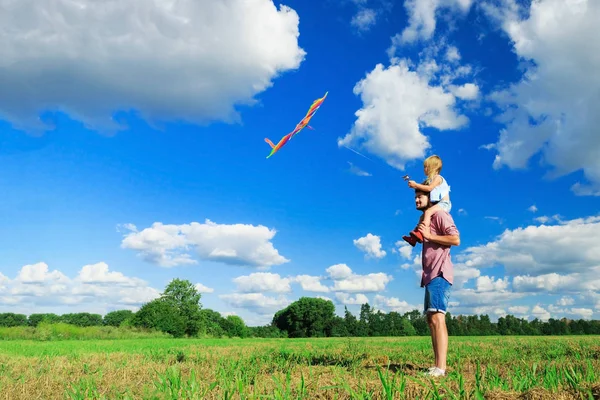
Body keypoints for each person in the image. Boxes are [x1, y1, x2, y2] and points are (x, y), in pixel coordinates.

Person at [412, 187, 460, 377]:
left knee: (438, 317)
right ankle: (437, 365)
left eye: (420, 197)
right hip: (430, 274)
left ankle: (441, 368)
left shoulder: (440, 214)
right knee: (431, 318)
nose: (416, 201)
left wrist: (430, 236)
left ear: (431, 197)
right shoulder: (427, 218)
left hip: (440, 272)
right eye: (415, 198)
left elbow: (455, 239)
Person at [402, 155, 452, 247]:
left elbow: (429, 188)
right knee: (422, 217)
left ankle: (422, 232)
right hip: (438, 204)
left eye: (426, 167)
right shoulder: (432, 179)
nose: (424, 169)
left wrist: (416, 185)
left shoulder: (438, 178)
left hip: (444, 204)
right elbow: (425, 188)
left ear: (433, 167)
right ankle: (414, 237)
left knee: (428, 212)